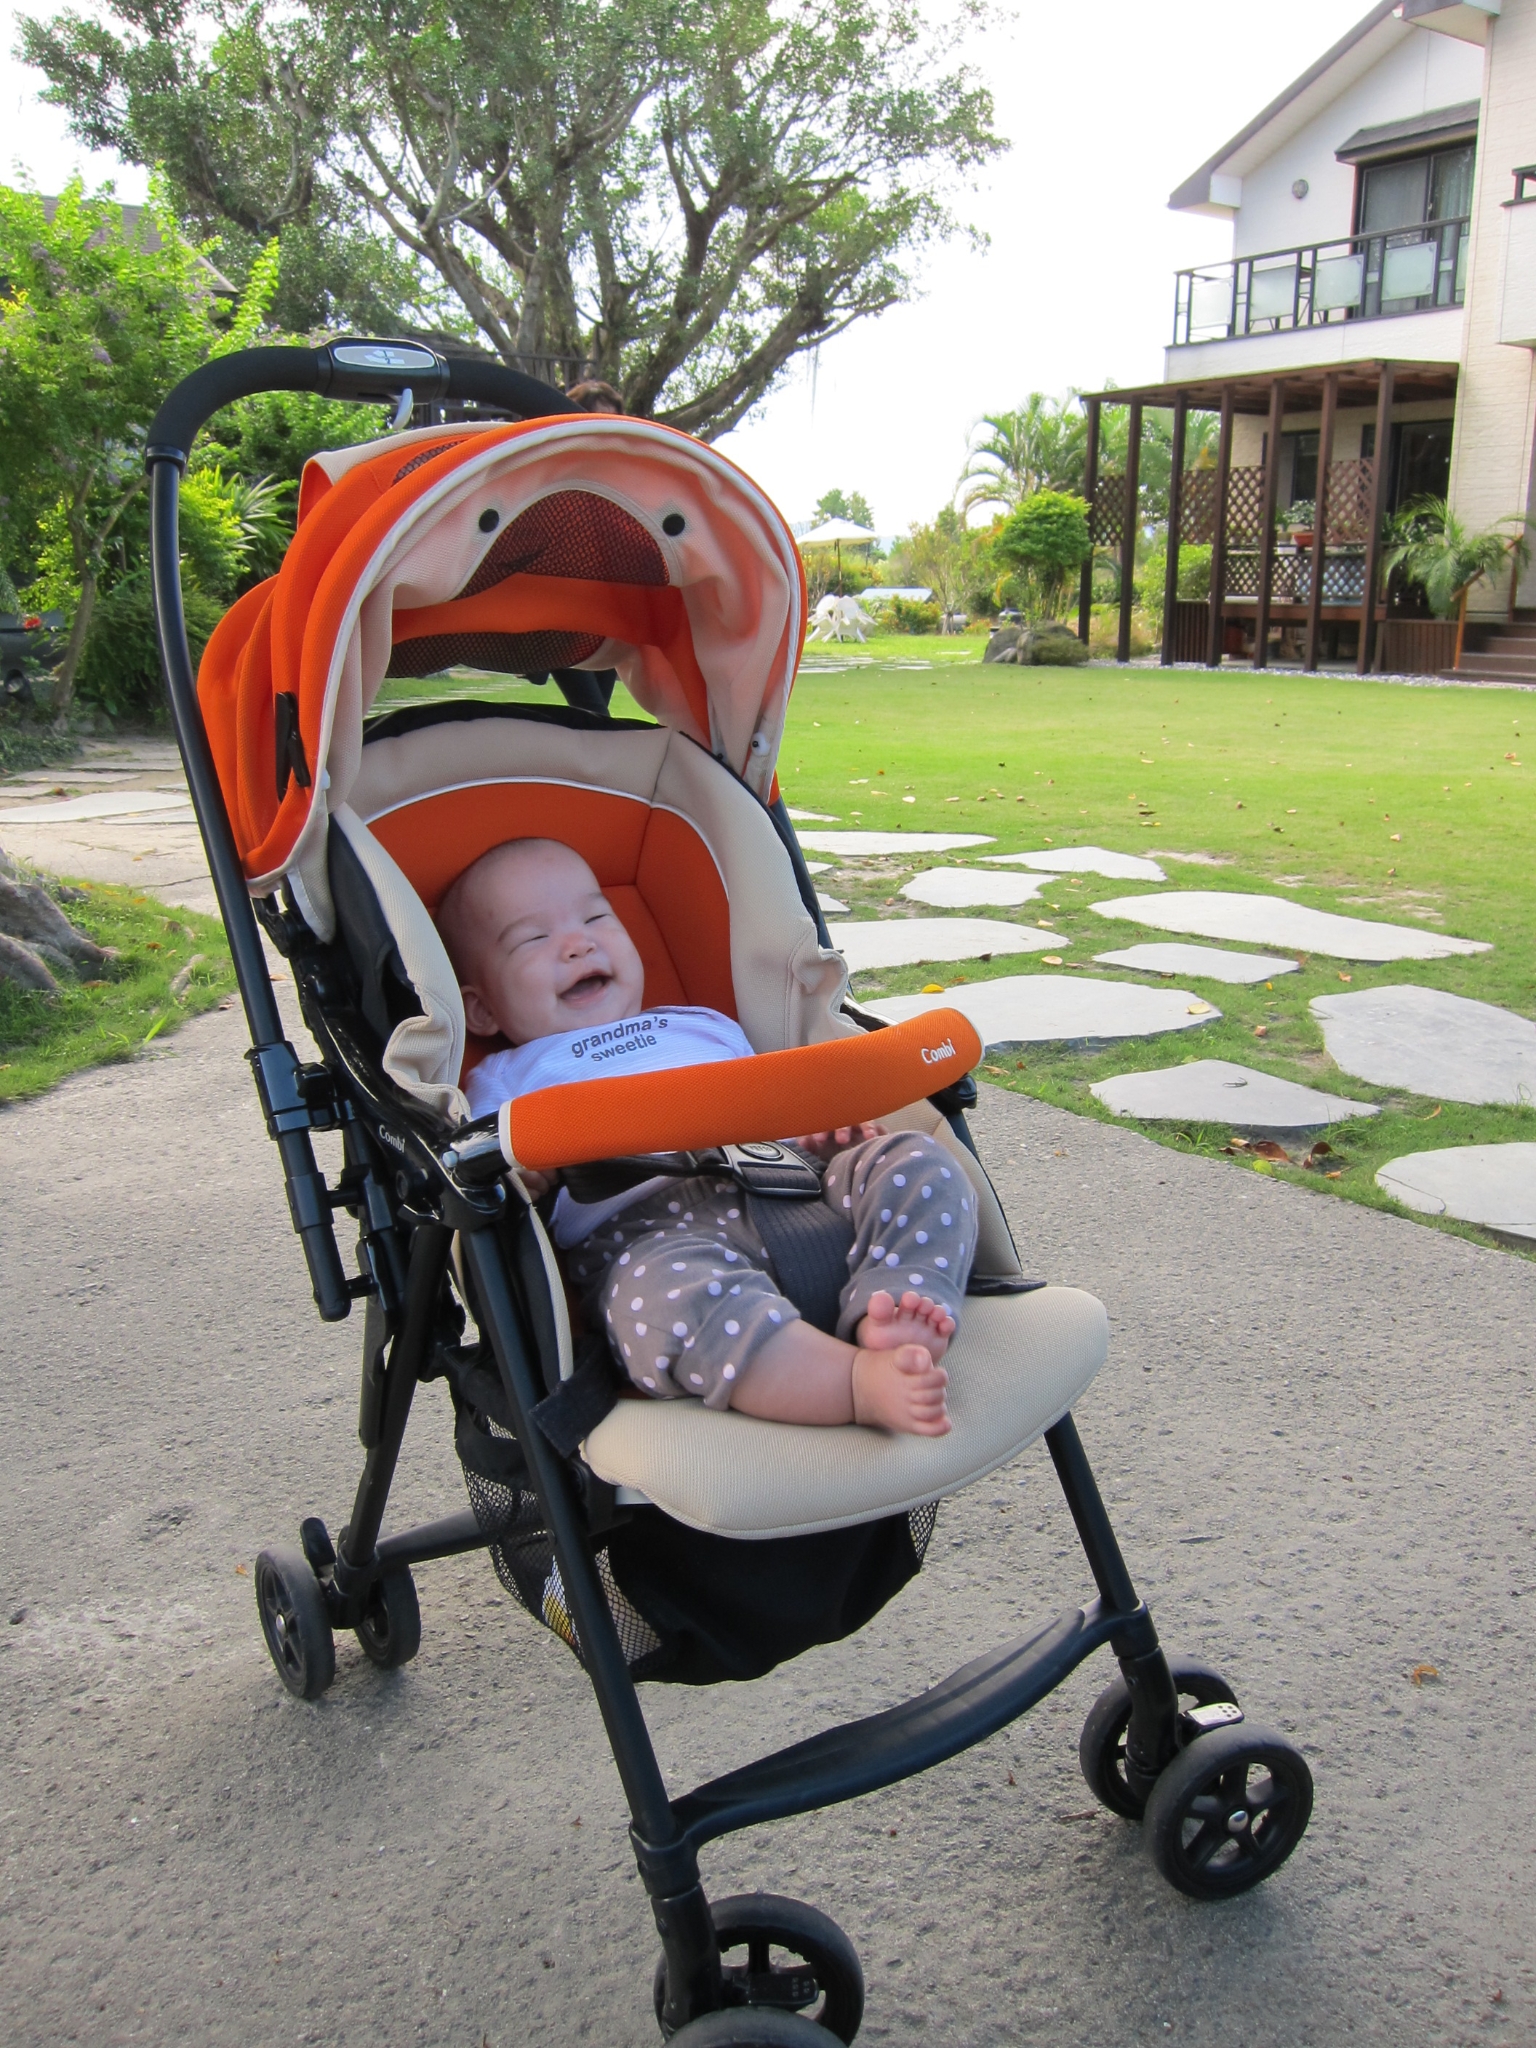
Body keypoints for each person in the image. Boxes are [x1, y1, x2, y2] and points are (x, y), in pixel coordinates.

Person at [436, 838, 978, 1436]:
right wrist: (527, 1176)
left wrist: (820, 1138)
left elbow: (768, 1109)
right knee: (661, 1298)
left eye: (596, 918)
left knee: (916, 1160)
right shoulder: (505, 1077)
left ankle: (896, 1300)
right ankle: (851, 1384)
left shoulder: (702, 1025)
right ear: (481, 1011)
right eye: (534, 939)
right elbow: (494, 1172)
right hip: (648, 1237)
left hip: (788, 1188)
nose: (578, 943)